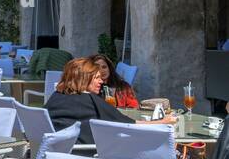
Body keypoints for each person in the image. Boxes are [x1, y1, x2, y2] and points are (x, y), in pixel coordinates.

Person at [46, 56, 174, 145]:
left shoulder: (56, 96)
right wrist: (163, 122)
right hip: (89, 157)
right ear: (84, 79)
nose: (101, 81)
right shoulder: (91, 100)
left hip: (58, 156)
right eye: (96, 78)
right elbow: (130, 125)